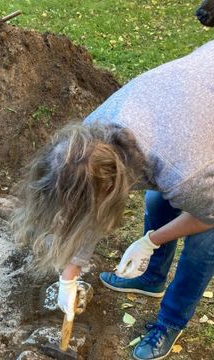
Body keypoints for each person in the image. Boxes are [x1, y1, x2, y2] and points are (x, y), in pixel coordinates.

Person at [12, 40, 214, 360]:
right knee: (158, 201)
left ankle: (171, 320)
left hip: (196, 135)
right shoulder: (89, 137)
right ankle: (150, 279)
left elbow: (208, 216)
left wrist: (150, 240)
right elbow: (84, 209)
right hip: (195, 98)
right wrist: (69, 277)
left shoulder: (186, 173)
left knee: (203, 244)